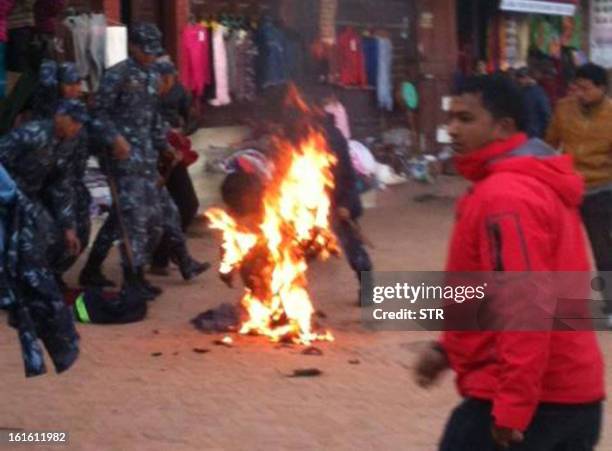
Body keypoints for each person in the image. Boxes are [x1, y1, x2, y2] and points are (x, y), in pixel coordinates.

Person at [415, 75, 604, 450]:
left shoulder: (507, 196)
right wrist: (449, 349)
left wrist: (513, 410)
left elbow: (523, 306)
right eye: (450, 119)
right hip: (566, 396)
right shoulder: (514, 183)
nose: (452, 130)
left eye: (466, 120)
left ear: (503, 128)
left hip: (536, 402)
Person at [80, 23, 208, 299]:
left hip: (146, 159)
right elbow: (96, 115)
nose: (150, 56)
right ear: (133, 47)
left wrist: (165, 146)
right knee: (133, 220)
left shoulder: (152, 76)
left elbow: (151, 119)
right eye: (146, 50)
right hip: (121, 160)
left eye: (154, 51)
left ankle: (96, 270)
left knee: (163, 213)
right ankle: (133, 280)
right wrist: (114, 139)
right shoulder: (117, 75)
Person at [546, 63, 612, 328]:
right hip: (566, 189)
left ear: (601, 89)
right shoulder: (563, 109)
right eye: (576, 88)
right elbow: (549, 143)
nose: (579, 94)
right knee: (554, 248)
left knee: (603, 251)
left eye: (585, 89)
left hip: (601, 190)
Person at [149, 60, 202, 276]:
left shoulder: (180, 92)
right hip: (151, 159)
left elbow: (193, 118)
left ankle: (167, 253)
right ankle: (161, 259)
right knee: (161, 210)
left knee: (188, 204)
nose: (168, 83)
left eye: (171, 78)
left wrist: (182, 133)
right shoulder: (143, 97)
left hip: (174, 154)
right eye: (165, 79)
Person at [516, 66, 552, 138]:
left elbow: (546, 113)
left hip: (535, 133)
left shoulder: (538, 92)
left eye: (521, 78)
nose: (520, 81)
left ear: (528, 77)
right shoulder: (522, 91)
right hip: (527, 132)